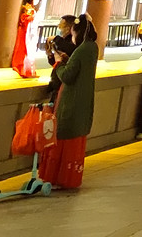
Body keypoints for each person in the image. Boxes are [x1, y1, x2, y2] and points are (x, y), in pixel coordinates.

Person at [39, 14, 98, 189]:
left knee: (63, 138)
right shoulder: (92, 48)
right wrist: (66, 60)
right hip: (84, 102)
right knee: (76, 142)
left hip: (71, 99)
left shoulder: (80, 50)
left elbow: (68, 76)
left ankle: (60, 177)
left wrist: (59, 63)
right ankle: (72, 177)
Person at [11, 0, 41, 79]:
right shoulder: (27, 9)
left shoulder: (31, 8)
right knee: (25, 50)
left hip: (31, 31)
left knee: (30, 51)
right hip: (27, 32)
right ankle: (24, 69)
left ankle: (29, 70)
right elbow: (24, 20)